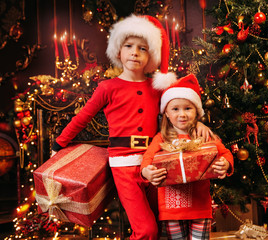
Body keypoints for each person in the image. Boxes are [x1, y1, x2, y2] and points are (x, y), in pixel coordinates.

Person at [51, 15, 213, 240]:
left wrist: (200, 123)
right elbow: (83, 117)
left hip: (156, 162)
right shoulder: (107, 87)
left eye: (143, 48)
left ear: (151, 56)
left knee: (163, 223)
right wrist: (59, 143)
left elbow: (182, 107)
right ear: (118, 51)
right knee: (147, 230)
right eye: (129, 46)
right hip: (124, 167)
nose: (135, 52)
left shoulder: (157, 88)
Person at [141, 74, 234, 240]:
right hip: (171, 209)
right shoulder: (161, 138)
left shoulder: (203, 134)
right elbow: (147, 159)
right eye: (175, 109)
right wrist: (147, 172)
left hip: (200, 207)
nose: (182, 114)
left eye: (188, 108)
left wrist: (226, 164)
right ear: (167, 113)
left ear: (197, 112)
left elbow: (225, 152)